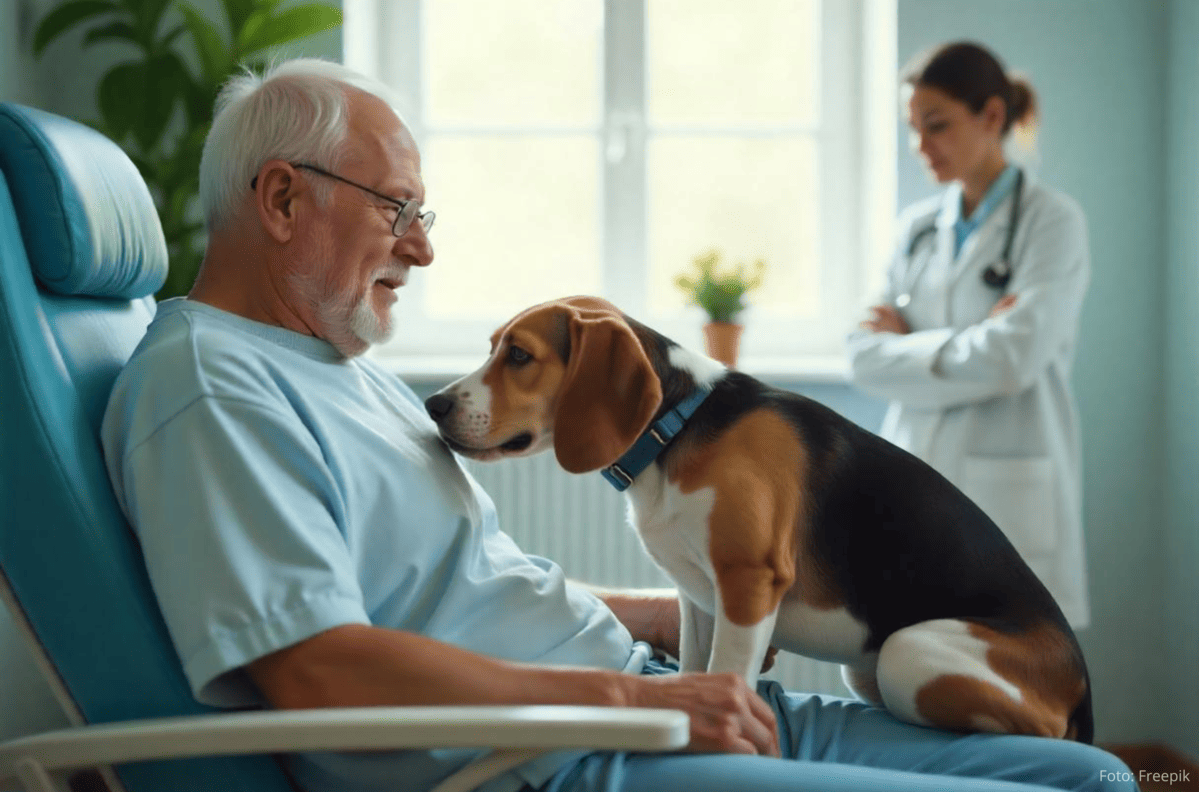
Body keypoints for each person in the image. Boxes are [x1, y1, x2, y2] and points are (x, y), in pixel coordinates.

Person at [101, 58, 1127, 792]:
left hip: (626, 702)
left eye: (424, 216)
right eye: (396, 208)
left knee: (1086, 773)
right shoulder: (213, 391)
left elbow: (444, 583)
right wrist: (636, 705)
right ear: (281, 199)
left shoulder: (337, 364)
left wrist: (645, 615)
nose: (419, 250)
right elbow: (319, 668)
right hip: (561, 756)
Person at [848, 42, 1091, 629]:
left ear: (992, 117)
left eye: (937, 126)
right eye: (913, 129)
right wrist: (978, 336)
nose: (920, 147)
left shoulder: (1052, 222)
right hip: (912, 475)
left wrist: (909, 344)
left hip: (1007, 489)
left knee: (1012, 679)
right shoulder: (917, 230)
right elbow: (862, 358)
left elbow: (1014, 360)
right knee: (902, 665)